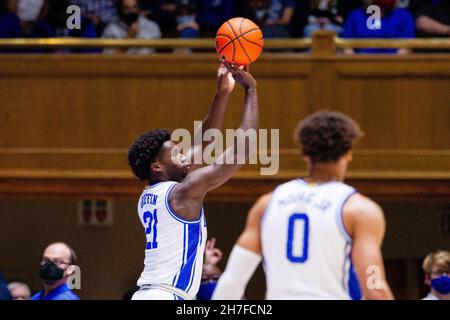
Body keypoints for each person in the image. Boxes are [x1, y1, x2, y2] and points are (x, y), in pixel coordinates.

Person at [213, 111, 394, 300]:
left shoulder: (267, 204)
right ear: (349, 153)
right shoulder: (360, 210)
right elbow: (374, 286)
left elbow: (233, 280)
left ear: (305, 154)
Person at [128, 61, 258, 300]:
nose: (184, 157)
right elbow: (240, 153)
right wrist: (250, 91)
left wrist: (223, 93)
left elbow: (204, 142)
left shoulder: (151, 195)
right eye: (176, 155)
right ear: (157, 166)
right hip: (166, 295)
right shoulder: (181, 193)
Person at [342, 0, 415, 54]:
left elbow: (406, 49)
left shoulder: (404, 16)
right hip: (360, 65)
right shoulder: (355, 16)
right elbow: (347, 48)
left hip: (393, 65)